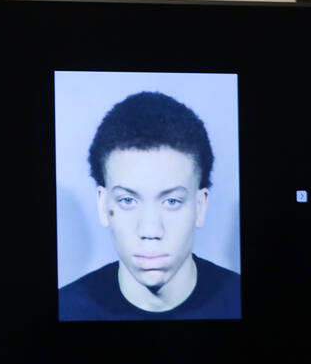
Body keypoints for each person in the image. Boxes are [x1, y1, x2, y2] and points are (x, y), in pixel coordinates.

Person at [58, 91, 240, 321]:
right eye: (128, 201)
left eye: (172, 201)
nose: (150, 230)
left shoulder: (237, 301)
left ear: (200, 206)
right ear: (103, 205)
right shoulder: (66, 310)